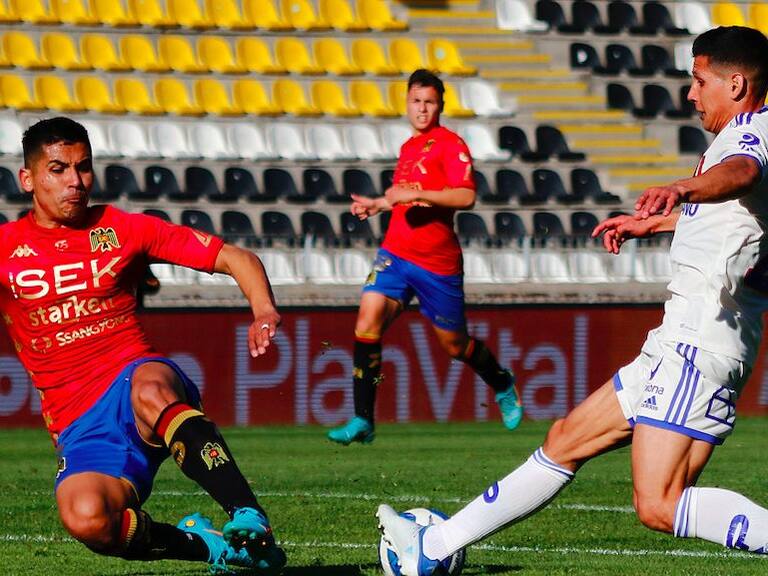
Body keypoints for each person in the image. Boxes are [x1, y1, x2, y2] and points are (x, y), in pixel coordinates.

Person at [376, 26, 768, 574]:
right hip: (678, 339)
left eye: (698, 81)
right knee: (564, 441)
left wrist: (680, 188)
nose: (690, 93)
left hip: (701, 340)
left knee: (659, 503)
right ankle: (433, 548)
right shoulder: (734, 137)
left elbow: (742, 174)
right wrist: (653, 223)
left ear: (737, 82)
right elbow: (734, 213)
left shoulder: (754, 134)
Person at [3, 117, 286, 573]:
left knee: (151, 390)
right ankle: (211, 547)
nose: (75, 181)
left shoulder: (123, 229)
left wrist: (263, 310)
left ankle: (248, 514)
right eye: (59, 169)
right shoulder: (5, 247)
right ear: (28, 178)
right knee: (88, 519)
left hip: (133, 375)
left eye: (83, 167)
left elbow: (235, 256)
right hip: (79, 422)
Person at [327, 69, 523, 445]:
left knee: (454, 346)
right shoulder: (408, 147)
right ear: (406, 104)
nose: (422, 108)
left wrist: (420, 195)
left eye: (429, 102)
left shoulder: (451, 144)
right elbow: (404, 196)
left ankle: (501, 382)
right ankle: (362, 418)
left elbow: (466, 196)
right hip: (396, 254)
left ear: (440, 106)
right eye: (416, 101)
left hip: (437, 263)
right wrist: (378, 204)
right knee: (367, 320)